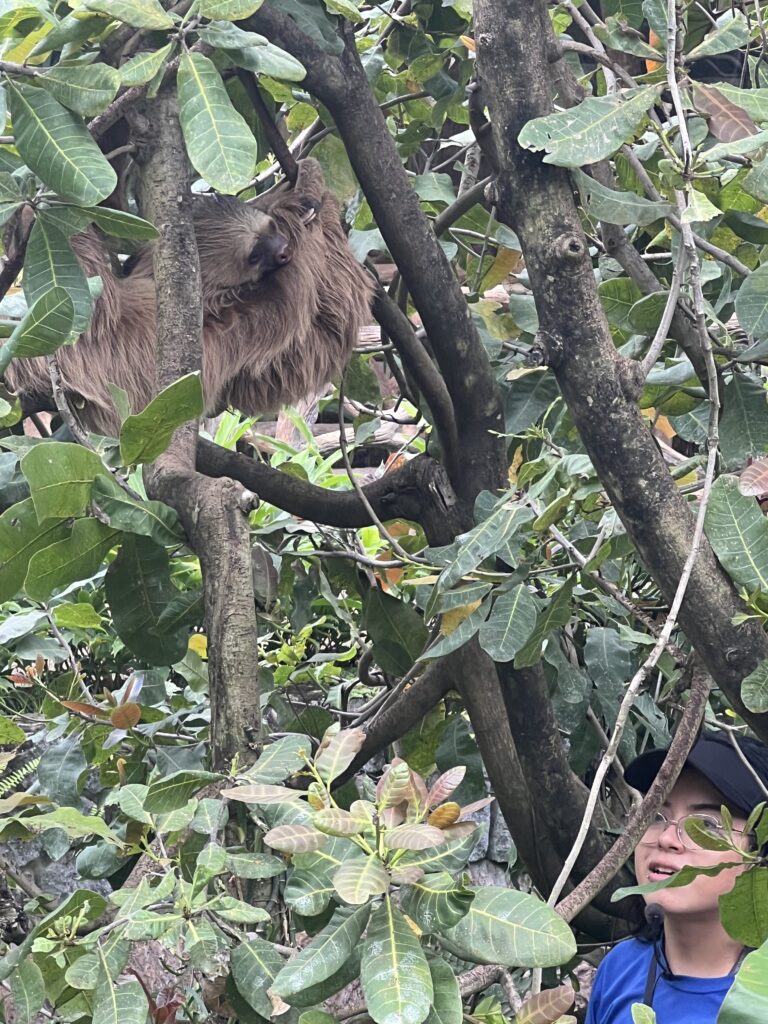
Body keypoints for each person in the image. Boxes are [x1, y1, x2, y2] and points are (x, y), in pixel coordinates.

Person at [585, 728, 768, 1024]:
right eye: (656, 816)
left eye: (706, 826)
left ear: (759, 851)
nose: (668, 838)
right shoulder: (620, 969)